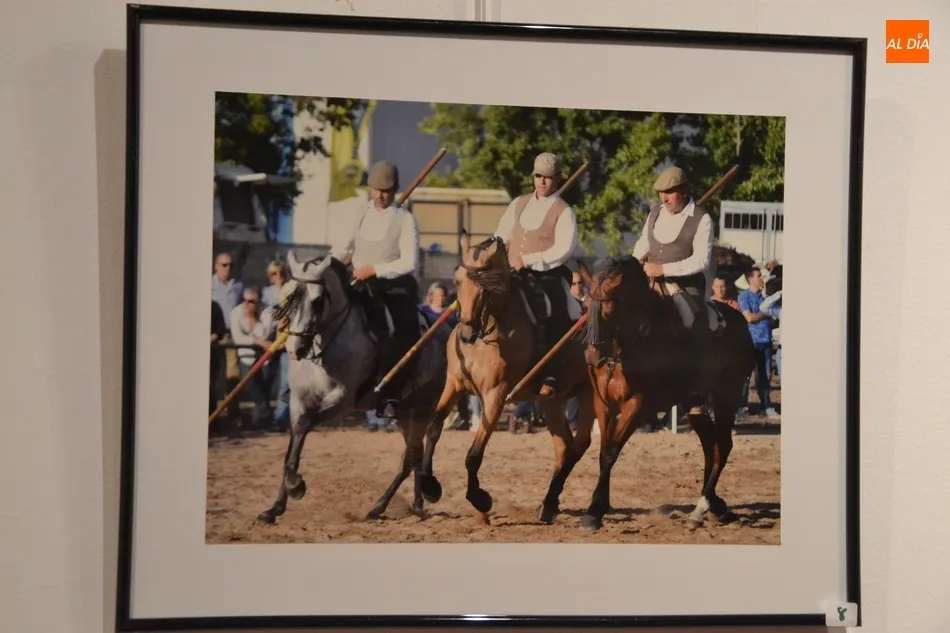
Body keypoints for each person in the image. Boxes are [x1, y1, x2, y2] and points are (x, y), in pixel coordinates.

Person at [330, 160, 421, 420]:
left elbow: (409, 262)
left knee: (405, 327)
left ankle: (391, 393)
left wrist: (374, 270)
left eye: (387, 191)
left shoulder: (406, 219)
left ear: (396, 189)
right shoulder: (360, 213)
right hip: (358, 282)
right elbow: (344, 248)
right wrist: (329, 265)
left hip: (394, 286)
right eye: (377, 190)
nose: (381, 196)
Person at [492, 152, 579, 396]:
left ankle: (552, 372)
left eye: (547, 177)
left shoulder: (564, 212)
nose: (542, 181)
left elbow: (563, 250)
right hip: (512, 272)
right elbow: (500, 235)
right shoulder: (518, 203)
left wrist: (529, 260)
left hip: (548, 274)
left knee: (555, 309)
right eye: (538, 176)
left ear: (557, 178)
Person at [631, 165, 724, 335]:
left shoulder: (702, 219)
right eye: (661, 192)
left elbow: (701, 260)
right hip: (649, 282)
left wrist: (663, 269)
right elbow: (644, 244)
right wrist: (631, 265)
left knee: (691, 319)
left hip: (686, 286)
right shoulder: (655, 213)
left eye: (669, 192)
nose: (664, 198)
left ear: (685, 190)